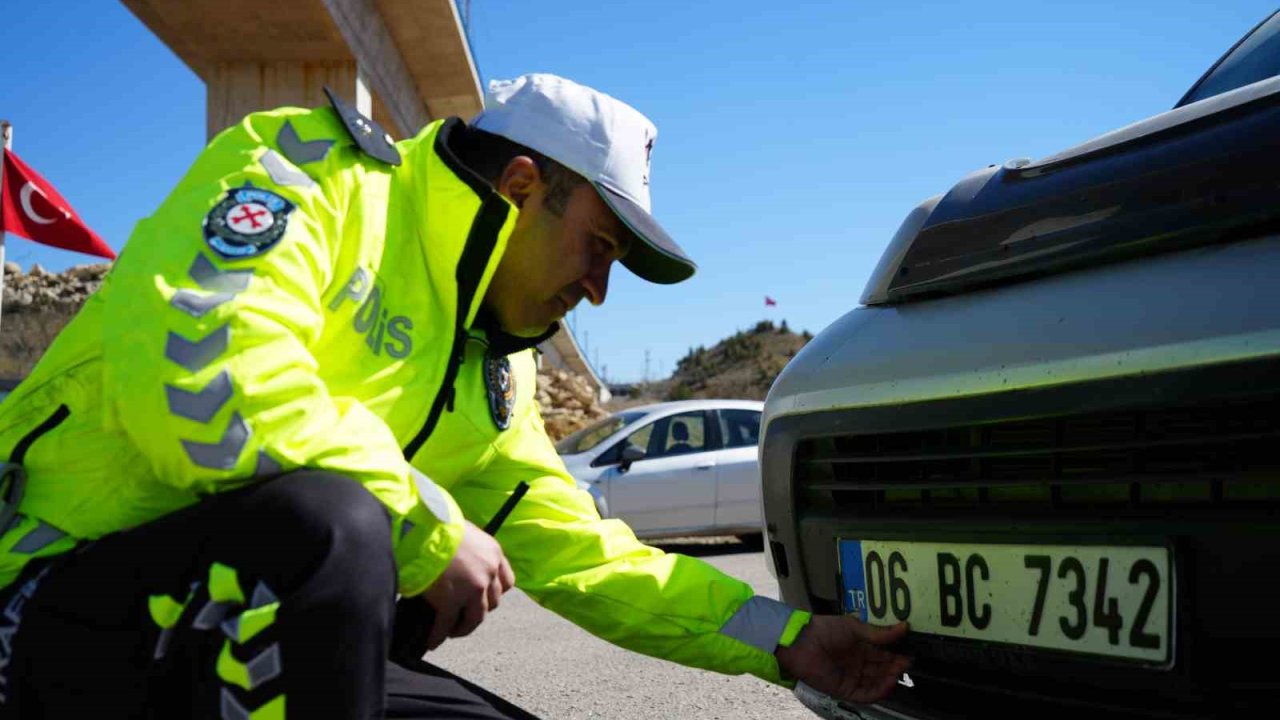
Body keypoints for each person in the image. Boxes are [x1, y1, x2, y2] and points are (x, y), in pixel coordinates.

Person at [0, 73, 910, 718]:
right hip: (45, 606)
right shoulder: (313, 178)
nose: (599, 289)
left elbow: (587, 555)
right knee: (339, 526)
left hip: (218, 630)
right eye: (598, 247)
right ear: (521, 187)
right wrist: (425, 530)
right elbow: (199, 374)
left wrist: (787, 638)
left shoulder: (495, 371)